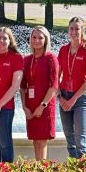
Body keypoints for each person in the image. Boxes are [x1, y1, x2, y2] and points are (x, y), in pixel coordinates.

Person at [58, 16, 86, 158]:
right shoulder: (63, 50)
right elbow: (56, 77)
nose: (74, 31)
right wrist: (60, 97)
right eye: (71, 28)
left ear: (82, 31)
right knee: (70, 141)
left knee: (80, 141)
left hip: (80, 99)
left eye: (77, 28)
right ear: (68, 31)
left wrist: (73, 99)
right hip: (64, 96)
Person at [20, 26, 59, 161]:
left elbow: (54, 86)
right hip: (30, 106)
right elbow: (23, 86)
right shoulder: (26, 59)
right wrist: (24, 107)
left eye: (40, 38)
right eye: (34, 37)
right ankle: (37, 171)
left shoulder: (50, 58)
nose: (36, 40)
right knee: (35, 141)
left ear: (46, 40)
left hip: (44, 106)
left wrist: (42, 106)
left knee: (42, 141)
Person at [0, 27, 23, 163]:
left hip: (4, 108)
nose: (1, 41)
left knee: (5, 145)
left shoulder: (16, 58)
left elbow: (15, 86)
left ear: (10, 40)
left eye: (5, 38)